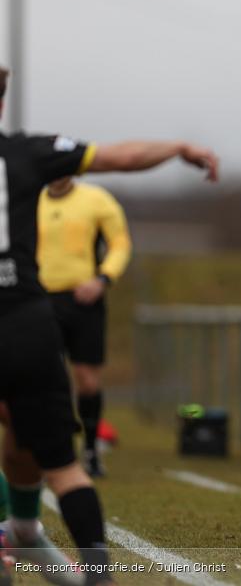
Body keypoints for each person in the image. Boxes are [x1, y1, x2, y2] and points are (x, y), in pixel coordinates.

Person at [0, 65, 218, 586]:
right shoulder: (26, 153)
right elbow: (121, 156)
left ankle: (25, 532)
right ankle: (95, 573)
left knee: (25, 444)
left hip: (57, 307)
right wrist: (178, 148)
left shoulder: (86, 199)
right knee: (61, 465)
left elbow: (117, 235)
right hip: (24, 318)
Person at [36, 176, 131, 477]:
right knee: (44, 376)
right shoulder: (32, 200)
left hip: (83, 301)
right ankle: (52, 445)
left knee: (87, 379)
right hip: (39, 300)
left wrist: (103, 279)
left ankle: (90, 448)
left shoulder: (97, 200)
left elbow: (120, 243)